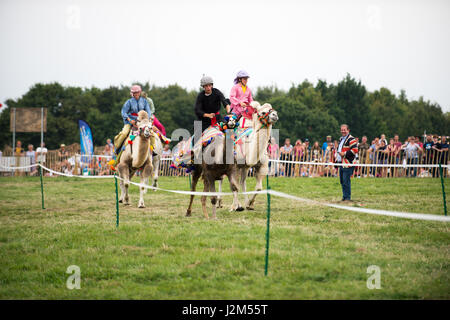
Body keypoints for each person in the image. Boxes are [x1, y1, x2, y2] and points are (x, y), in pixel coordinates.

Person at [114, 84, 155, 155]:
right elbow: (124, 112)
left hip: (142, 122)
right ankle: (117, 148)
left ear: (140, 92)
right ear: (132, 93)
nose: (136, 94)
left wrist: (148, 118)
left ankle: (152, 149)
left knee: (151, 133)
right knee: (124, 133)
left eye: (137, 92)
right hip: (130, 122)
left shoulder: (144, 101)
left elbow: (148, 111)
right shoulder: (129, 102)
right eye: (134, 93)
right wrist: (130, 120)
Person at [336, 124, 358, 202]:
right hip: (341, 163)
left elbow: (355, 150)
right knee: (342, 181)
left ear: (348, 130)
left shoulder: (351, 139)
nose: (343, 131)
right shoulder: (341, 139)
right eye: (342, 130)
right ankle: (344, 196)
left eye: (344, 130)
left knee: (346, 180)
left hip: (348, 163)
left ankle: (347, 197)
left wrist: (344, 154)